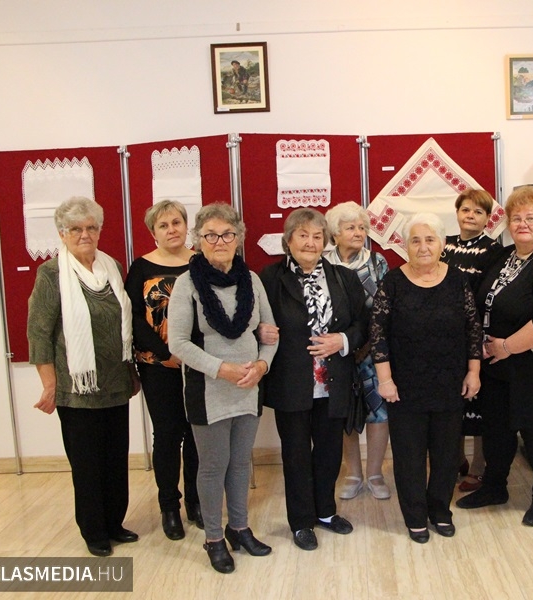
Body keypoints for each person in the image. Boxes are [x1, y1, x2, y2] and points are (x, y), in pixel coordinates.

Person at [456, 186, 533, 528]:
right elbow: (480, 303)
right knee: (496, 431)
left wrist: (506, 346)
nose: (523, 224)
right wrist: (483, 344)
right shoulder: (503, 256)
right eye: (517, 218)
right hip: (497, 367)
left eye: (531, 218)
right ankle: (494, 487)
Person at [167, 203, 277, 573]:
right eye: (211, 235)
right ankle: (214, 538)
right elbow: (178, 344)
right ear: (199, 240)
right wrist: (222, 369)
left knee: (241, 463)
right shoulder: (186, 284)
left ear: (238, 238)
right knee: (214, 466)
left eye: (228, 234)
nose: (220, 241)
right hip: (208, 390)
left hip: (248, 386)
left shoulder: (252, 280)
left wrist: (262, 365)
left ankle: (239, 528)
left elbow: (270, 334)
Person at [27, 196, 140, 557]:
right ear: (62, 233)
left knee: (115, 458)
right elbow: (38, 333)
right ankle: (94, 530)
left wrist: (133, 370)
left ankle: (115, 523)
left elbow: (125, 324)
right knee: (87, 464)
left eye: (91, 227)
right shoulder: (51, 274)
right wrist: (49, 384)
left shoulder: (112, 267)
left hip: (115, 382)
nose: (84, 234)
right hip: (76, 388)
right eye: (75, 229)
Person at [260, 208, 368, 552]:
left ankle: (325, 512)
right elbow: (255, 321)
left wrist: (343, 340)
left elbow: (363, 324)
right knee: (295, 455)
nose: (310, 242)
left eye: (317, 236)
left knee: (329, 452)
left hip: (333, 382)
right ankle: (301, 521)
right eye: (303, 235)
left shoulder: (343, 277)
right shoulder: (270, 278)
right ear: (288, 240)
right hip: (291, 382)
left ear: (326, 241)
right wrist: (260, 331)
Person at [371, 213, 482, 543]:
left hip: (450, 383)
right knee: (410, 457)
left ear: (442, 243)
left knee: (447, 456)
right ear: (405, 246)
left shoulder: (457, 280)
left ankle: (440, 511)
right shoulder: (392, 282)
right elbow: (378, 334)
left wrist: (474, 371)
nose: (423, 247)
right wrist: (385, 380)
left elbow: (473, 328)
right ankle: (415, 516)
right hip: (404, 387)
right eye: (415, 240)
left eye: (430, 239)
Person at [125, 200, 201, 541]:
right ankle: (170, 506)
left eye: (176, 222)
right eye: (163, 225)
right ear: (153, 232)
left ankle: (197, 502)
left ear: (186, 226)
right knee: (168, 436)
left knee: (198, 434)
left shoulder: (201, 263)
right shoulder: (141, 267)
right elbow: (133, 318)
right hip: (158, 365)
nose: (172, 230)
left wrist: (193, 354)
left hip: (199, 365)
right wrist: (166, 353)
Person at [324, 201, 392, 501]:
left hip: (373, 350)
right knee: (344, 412)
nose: (358, 232)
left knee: (379, 411)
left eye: (362, 227)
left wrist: (367, 346)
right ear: (335, 233)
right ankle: (352, 473)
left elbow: (385, 309)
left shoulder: (377, 263)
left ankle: (375, 474)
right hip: (337, 351)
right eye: (350, 227)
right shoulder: (324, 264)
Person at [441, 189, 501, 493]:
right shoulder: (444, 245)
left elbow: (490, 296)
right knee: (453, 403)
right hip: (447, 339)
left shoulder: (494, 250)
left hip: (477, 335)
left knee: (478, 404)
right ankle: (455, 460)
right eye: (466, 210)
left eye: (478, 212)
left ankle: (478, 467)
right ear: (457, 213)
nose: (470, 216)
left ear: (488, 218)